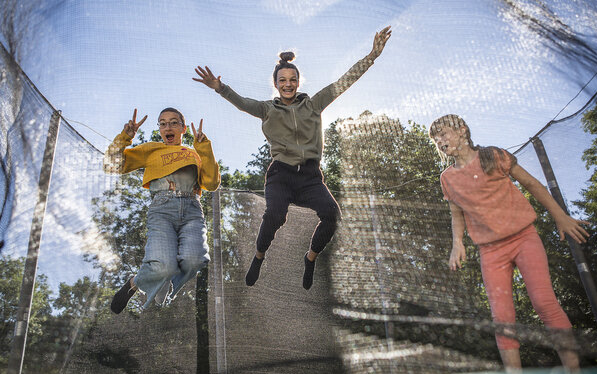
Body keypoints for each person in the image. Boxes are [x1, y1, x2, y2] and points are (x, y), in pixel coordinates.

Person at [193, 27, 392, 289]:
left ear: (298, 82)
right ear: (276, 84)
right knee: (275, 214)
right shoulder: (266, 109)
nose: (287, 84)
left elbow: (345, 81)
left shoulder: (313, 104)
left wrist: (372, 55)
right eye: (282, 80)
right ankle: (259, 255)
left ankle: (310, 258)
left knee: (332, 214)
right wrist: (219, 87)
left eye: (292, 80)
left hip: (310, 177)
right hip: (281, 175)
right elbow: (241, 102)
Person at [429, 114, 588, 372]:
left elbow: (531, 184)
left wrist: (560, 216)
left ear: (462, 131)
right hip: (490, 251)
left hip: (523, 237)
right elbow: (456, 213)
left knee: (544, 302)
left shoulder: (493, 155)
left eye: (444, 133)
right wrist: (457, 242)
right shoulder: (448, 178)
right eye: (436, 138)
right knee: (502, 319)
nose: (440, 140)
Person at [103, 108, 220, 313]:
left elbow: (211, 184)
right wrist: (125, 137)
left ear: (183, 129)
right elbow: (111, 165)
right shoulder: (152, 150)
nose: (168, 127)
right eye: (163, 123)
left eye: (174, 123)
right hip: (162, 209)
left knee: (196, 260)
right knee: (163, 265)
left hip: (192, 209)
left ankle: (165, 283)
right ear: (159, 129)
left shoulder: (194, 154)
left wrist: (204, 149)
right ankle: (135, 283)